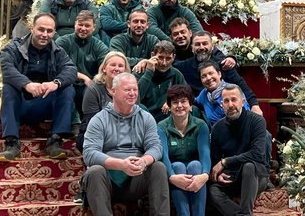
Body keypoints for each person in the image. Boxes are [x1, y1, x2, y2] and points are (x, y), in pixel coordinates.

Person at [81, 73, 169, 216]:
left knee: (158, 167)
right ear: (112, 91)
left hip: (136, 178)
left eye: (135, 89)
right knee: (94, 171)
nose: (132, 93)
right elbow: (89, 153)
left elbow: (156, 147)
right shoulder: (99, 119)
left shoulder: (146, 118)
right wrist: (121, 165)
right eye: (127, 90)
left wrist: (143, 161)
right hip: (108, 181)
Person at [0, 13, 77, 161]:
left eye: (49, 31)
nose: (45, 34)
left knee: (67, 89)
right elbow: (6, 69)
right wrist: (26, 84)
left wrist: (55, 83)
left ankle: (55, 141)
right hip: (21, 102)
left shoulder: (58, 51)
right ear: (32, 28)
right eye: (41, 29)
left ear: (54, 32)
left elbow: (70, 69)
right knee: (9, 88)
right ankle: (11, 143)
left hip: (46, 102)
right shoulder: (14, 47)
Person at [208, 84, 270, 216]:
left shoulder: (257, 121)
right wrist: (219, 175)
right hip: (233, 177)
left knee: (248, 166)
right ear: (221, 105)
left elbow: (257, 154)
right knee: (213, 190)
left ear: (243, 102)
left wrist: (225, 162)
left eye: (234, 99)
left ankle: (245, 213)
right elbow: (215, 160)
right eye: (226, 101)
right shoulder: (217, 128)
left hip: (256, 175)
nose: (230, 105)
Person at [176, 31, 262, 116]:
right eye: (197, 44)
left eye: (205, 43)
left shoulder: (224, 64)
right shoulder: (185, 66)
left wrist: (254, 105)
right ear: (192, 48)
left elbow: (242, 86)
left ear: (212, 47)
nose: (201, 47)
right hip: (200, 113)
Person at [157, 85, 210, 216]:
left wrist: (204, 175)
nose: (179, 105)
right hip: (174, 171)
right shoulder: (161, 127)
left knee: (196, 165)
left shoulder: (201, 125)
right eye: (175, 102)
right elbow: (164, 156)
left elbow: (205, 153)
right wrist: (172, 176)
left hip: (195, 171)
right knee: (178, 166)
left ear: (191, 105)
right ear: (169, 106)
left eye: (183, 101)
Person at [55, 10, 109, 117]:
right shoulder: (62, 42)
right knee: (68, 91)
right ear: (75, 24)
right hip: (66, 82)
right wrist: (82, 77)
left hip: (89, 84)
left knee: (94, 90)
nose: (83, 28)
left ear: (94, 28)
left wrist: (94, 81)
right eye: (80, 25)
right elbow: (57, 66)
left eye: (87, 25)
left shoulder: (99, 46)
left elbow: (105, 67)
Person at [77, 51, 129, 151]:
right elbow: (92, 122)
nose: (117, 69)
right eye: (113, 65)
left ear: (125, 70)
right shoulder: (93, 89)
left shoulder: (130, 90)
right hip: (94, 133)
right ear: (104, 68)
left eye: (121, 66)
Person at [138, 41, 185, 122]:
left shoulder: (177, 75)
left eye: (168, 58)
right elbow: (136, 97)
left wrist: (173, 100)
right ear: (153, 55)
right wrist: (149, 72)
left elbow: (186, 96)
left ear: (173, 57)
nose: (164, 63)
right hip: (143, 118)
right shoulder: (141, 70)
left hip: (167, 119)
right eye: (160, 57)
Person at [194, 62, 250, 126]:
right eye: (203, 76)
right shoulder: (204, 94)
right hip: (214, 133)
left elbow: (243, 116)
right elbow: (192, 102)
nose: (208, 78)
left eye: (211, 73)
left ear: (219, 74)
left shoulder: (232, 91)